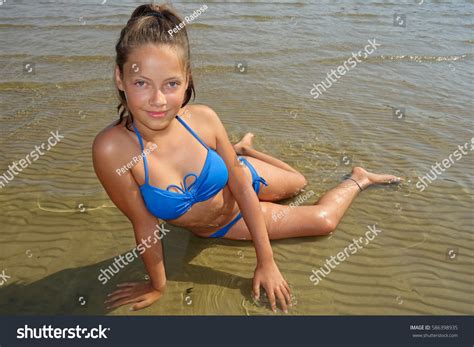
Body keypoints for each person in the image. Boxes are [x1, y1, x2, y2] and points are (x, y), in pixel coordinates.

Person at [93, 3, 402, 313]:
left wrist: (265, 261)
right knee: (324, 221)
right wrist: (157, 285)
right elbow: (144, 223)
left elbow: (240, 184)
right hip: (228, 220)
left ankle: (243, 150)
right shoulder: (113, 150)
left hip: (242, 176)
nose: (158, 100)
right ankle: (359, 178)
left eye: (170, 83)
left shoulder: (203, 119)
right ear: (120, 77)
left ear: (187, 79)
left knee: (300, 184)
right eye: (141, 83)